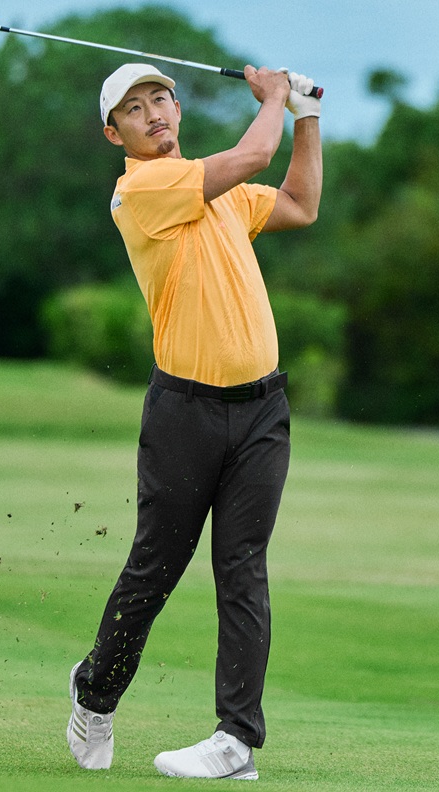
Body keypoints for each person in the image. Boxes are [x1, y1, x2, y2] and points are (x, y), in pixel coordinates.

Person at [67, 60, 322, 780]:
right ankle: (95, 696)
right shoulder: (141, 188)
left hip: (263, 411)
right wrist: (274, 97)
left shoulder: (225, 194)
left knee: (244, 569)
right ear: (113, 132)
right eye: (135, 108)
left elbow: (300, 204)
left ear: (177, 110)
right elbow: (252, 155)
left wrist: (306, 115)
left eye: (162, 99)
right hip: (185, 413)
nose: (154, 114)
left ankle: (235, 741)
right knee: (156, 567)